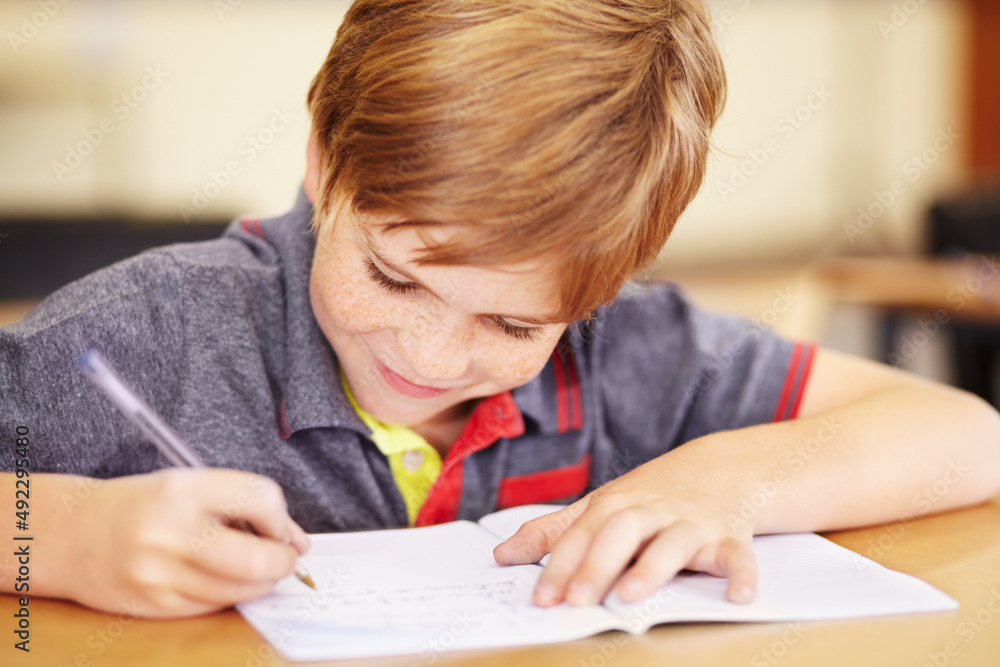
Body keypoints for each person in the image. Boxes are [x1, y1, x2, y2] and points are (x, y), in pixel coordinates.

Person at [2, 0, 999, 620]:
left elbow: (968, 437)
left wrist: (723, 482)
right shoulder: (150, 332)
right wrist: (66, 535)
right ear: (322, 162)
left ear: (604, 287)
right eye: (395, 278)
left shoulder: (628, 351)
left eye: (516, 325)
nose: (431, 356)